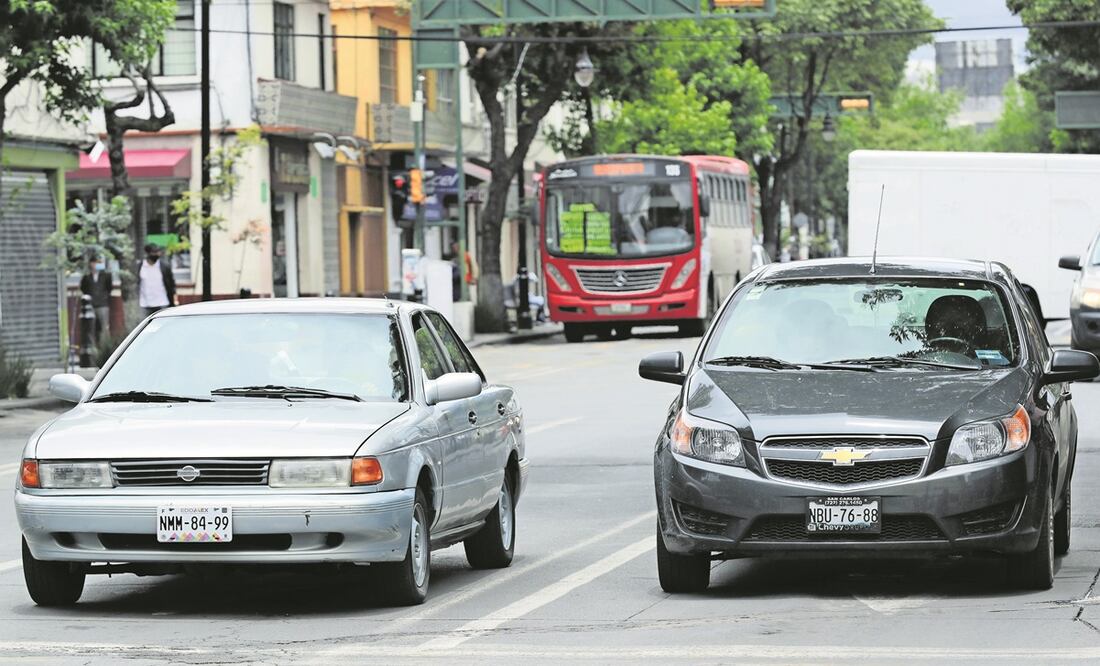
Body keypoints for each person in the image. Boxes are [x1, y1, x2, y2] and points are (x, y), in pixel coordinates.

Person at [137, 243, 176, 317]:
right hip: (145, 304)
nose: (157, 254)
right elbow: (137, 283)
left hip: (163, 303)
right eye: (154, 252)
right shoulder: (140, 267)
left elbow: (171, 284)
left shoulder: (164, 266)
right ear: (148, 253)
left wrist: (174, 298)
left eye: (158, 252)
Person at [79, 257, 112, 344]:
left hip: (103, 304)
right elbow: (83, 288)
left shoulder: (105, 276)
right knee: (91, 328)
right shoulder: (87, 277)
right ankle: (93, 347)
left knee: (104, 328)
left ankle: (105, 347)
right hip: (91, 305)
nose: (95, 265)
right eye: (94, 263)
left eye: (98, 263)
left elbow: (109, 287)